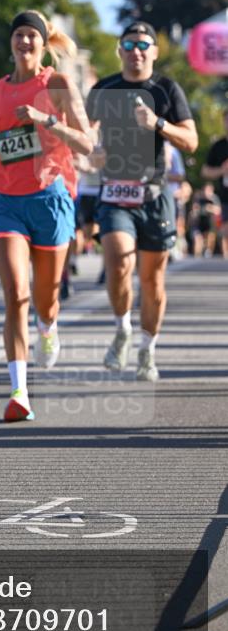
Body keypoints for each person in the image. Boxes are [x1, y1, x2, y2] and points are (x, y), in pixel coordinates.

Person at [0, 10, 93, 423]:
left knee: (45, 299)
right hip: (5, 200)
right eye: (18, 35)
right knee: (15, 294)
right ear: (11, 41)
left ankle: (49, 327)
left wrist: (45, 120)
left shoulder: (56, 83)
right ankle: (18, 391)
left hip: (49, 197)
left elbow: (86, 142)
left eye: (31, 37)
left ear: (42, 43)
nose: (24, 43)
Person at [86, 20, 198, 382]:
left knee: (152, 280)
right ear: (119, 50)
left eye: (143, 44)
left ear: (155, 51)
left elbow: (192, 141)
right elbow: (84, 138)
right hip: (115, 192)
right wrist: (92, 152)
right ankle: (122, 329)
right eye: (129, 45)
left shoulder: (166, 89)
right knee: (118, 261)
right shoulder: (103, 88)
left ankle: (148, 350)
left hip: (154, 193)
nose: (136, 51)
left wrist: (158, 124)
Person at [201, 109, 228, 258]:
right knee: (225, 229)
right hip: (225, 196)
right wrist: (222, 170)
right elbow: (205, 171)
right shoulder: (218, 146)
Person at [187, 183, 221, 257]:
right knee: (198, 239)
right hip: (199, 222)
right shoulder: (199, 198)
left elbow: (218, 210)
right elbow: (194, 209)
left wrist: (210, 208)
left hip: (210, 222)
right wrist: (204, 209)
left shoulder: (214, 198)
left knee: (210, 237)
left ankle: (208, 252)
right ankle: (197, 256)